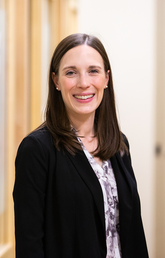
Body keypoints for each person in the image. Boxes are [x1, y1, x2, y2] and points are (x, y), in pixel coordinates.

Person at [13, 33, 149, 258]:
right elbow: (30, 245)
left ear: (106, 79)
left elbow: (133, 228)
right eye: (71, 72)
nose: (83, 83)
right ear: (56, 81)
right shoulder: (36, 150)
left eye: (93, 71)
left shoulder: (118, 143)